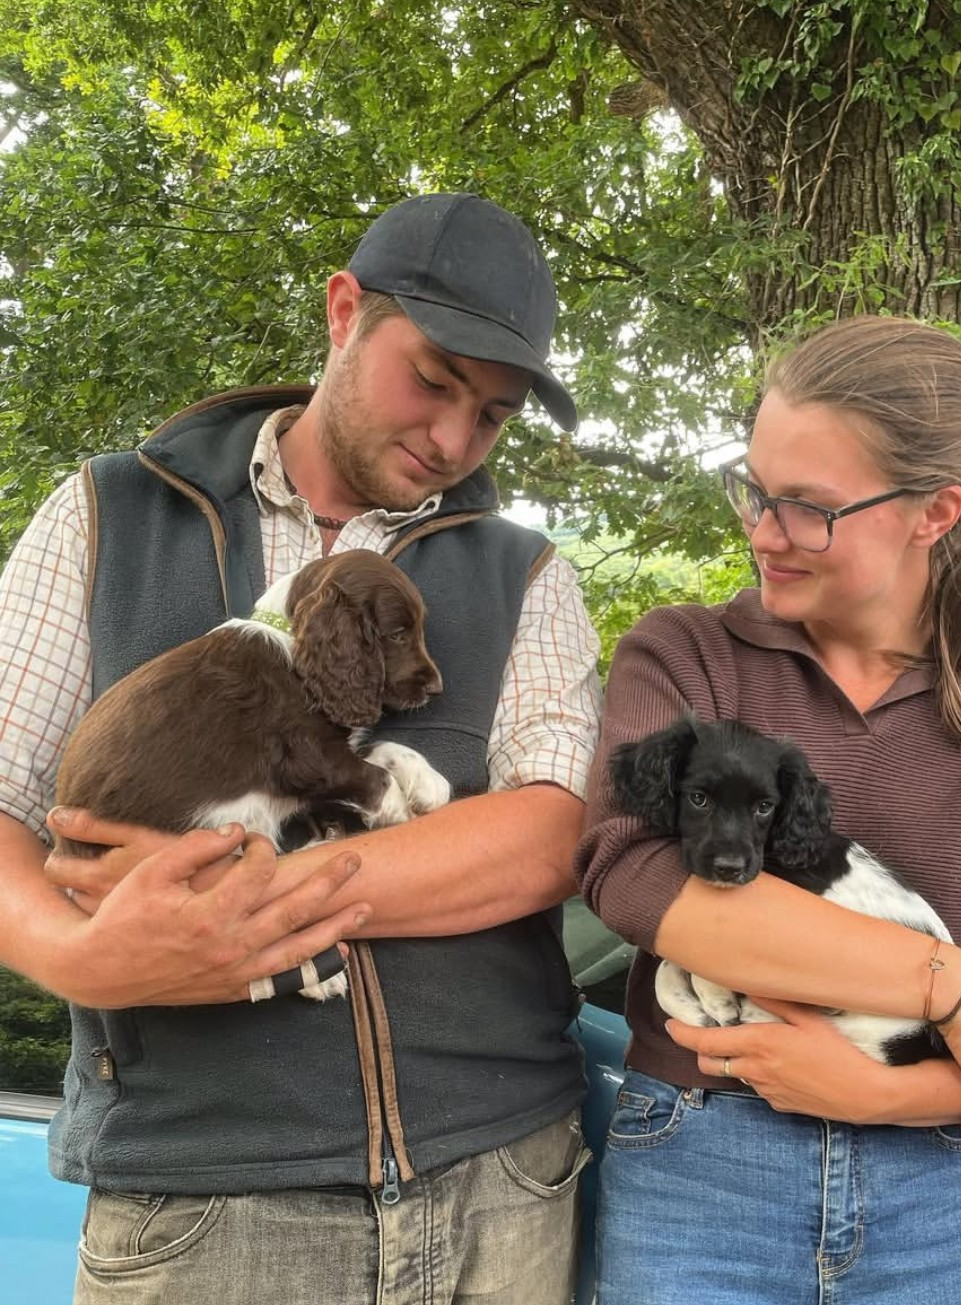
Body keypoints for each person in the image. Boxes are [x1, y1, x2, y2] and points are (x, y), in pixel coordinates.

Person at [0, 192, 603, 1304]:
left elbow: (547, 836)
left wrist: (247, 895)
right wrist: (75, 954)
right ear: (342, 312)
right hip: (200, 1200)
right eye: (432, 380)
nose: (452, 439)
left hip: (505, 1177)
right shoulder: (104, 512)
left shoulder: (526, 571)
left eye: (492, 415)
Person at [575, 315, 961, 1305]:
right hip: (699, 1178)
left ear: (933, 512)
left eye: (807, 508)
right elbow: (632, 876)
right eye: (754, 490)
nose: (763, 532)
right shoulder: (684, 655)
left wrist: (893, 1093)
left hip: (937, 1195)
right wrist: (952, 988)